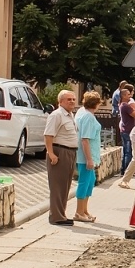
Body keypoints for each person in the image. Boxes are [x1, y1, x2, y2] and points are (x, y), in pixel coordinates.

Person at [44, 89, 80, 226]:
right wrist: (51, 153)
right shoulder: (56, 115)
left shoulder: (70, 115)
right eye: (68, 99)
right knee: (57, 186)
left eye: (73, 99)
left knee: (65, 185)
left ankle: (61, 214)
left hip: (70, 152)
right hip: (60, 152)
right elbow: (48, 135)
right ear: (60, 101)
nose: (72, 101)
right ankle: (56, 217)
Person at [74, 91, 103, 223]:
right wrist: (89, 159)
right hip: (85, 156)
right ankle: (79, 212)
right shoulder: (88, 117)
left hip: (87, 155)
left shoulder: (82, 113)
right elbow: (85, 139)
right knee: (84, 182)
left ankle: (84, 210)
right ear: (97, 104)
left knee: (90, 181)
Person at [117, 87, 135, 176]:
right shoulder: (126, 106)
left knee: (125, 152)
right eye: (128, 94)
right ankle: (126, 172)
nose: (130, 96)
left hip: (125, 130)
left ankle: (123, 170)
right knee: (128, 152)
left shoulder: (122, 105)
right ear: (124, 96)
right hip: (128, 130)